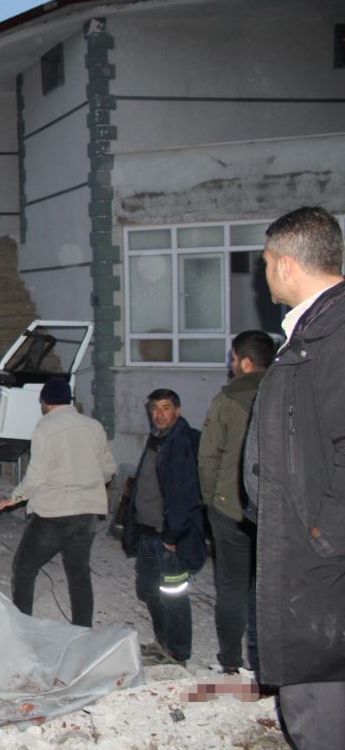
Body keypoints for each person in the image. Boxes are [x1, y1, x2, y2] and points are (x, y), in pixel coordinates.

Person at [249, 206, 345, 748]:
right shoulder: (312, 330)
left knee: (320, 703)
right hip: (309, 555)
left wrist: (322, 536)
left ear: (286, 264)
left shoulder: (333, 335)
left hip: (319, 567)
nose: (263, 277)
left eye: (264, 263)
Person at [0, 377, 116, 628]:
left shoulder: (45, 428)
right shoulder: (93, 425)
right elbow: (108, 469)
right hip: (87, 514)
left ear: (45, 402)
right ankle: (83, 631)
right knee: (79, 575)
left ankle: (22, 626)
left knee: (25, 568)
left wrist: (15, 497)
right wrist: (90, 484)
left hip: (54, 514)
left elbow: (37, 474)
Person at [198, 330, 276, 676]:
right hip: (275, 510)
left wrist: (210, 500)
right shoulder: (288, 391)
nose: (230, 366)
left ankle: (231, 661)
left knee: (232, 586)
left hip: (231, 507)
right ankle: (267, 665)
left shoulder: (228, 398)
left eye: (232, 358)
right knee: (269, 586)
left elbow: (208, 456)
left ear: (245, 362)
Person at [122, 388, 205, 666]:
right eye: (155, 409)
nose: (159, 414)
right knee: (149, 590)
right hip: (147, 530)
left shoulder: (181, 443)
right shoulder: (157, 439)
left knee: (173, 596)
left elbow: (184, 495)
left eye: (166, 408)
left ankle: (178, 652)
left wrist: (173, 535)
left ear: (178, 411)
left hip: (167, 536)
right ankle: (163, 641)